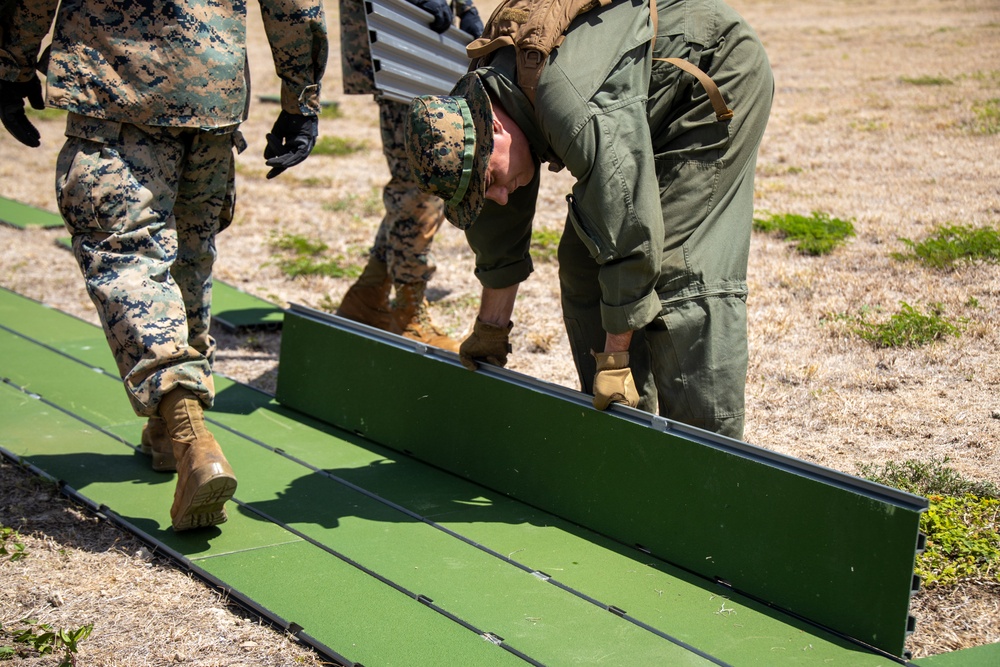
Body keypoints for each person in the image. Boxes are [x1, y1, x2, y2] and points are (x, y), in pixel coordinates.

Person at [0, 0, 328, 530]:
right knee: (187, 257)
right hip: (211, 85)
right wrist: (301, 98)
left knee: (125, 255)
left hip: (115, 79)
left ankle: (187, 431)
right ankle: (163, 436)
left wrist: (11, 62)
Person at [404, 0, 773, 439]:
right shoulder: (477, 102)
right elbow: (496, 217)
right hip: (634, 102)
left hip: (708, 73)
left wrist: (615, 360)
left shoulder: (566, 101)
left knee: (679, 273)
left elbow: (630, 236)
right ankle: (626, 435)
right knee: (583, 267)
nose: (500, 194)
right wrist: (491, 329)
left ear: (497, 133)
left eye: (493, 180)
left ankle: (710, 458)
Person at [335, 0, 483, 352]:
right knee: (421, 183)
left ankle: (369, 293)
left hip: (425, 37)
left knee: (420, 181)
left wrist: (466, 5)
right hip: (398, 31)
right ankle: (408, 311)